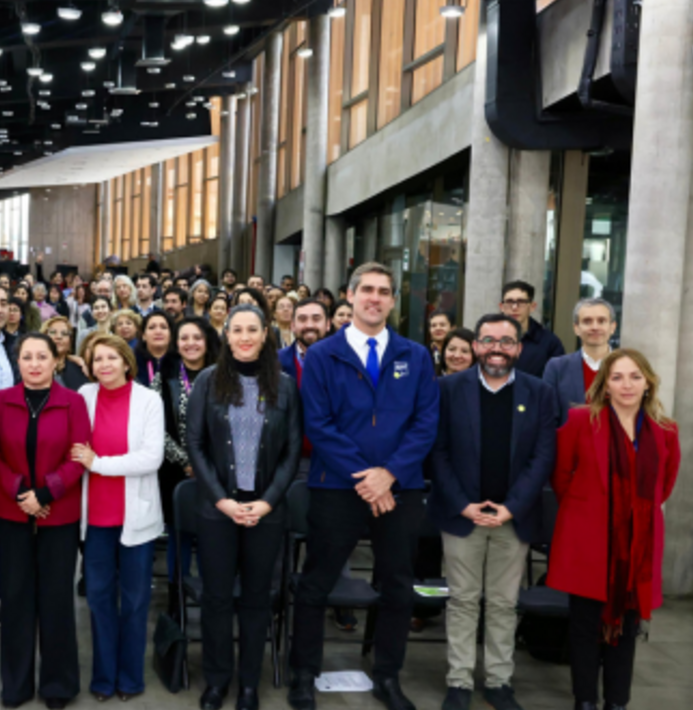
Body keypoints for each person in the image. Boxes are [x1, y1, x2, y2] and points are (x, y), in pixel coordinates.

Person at [288, 263, 439, 710]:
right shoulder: (323, 355)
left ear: (392, 300)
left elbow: (425, 423)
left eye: (383, 291)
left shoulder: (415, 356)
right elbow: (318, 424)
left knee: (397, 586)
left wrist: (388, 474)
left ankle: (387, 677)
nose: (375, 298)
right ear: (350, 296)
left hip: (400, 488)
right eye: (367, 289)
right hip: (336, 487)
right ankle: (303, 674)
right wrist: (367, 476)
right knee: (316, 584)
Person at [428, 314, 558, 710]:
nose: (496, 348)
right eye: (488, 340)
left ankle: (499, 681)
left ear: (518, 348)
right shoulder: (447, 389)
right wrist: (462, 505)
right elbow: (437, 452)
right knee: (462, 600)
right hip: (462, 515)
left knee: (503, 603)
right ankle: (459, 681)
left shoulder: (540, 392)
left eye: (506, 341)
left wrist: (511, 508)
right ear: (476, 346)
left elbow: (543, 457)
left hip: (512, 518)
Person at [548, 349, 680, 710]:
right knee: (585, 627)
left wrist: (633, 515)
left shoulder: (666, 431)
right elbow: (560, 475)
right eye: (617, 377)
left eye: (635, 377)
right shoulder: (580, 420)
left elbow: (664, 485)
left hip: (638, 546)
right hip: (587, 540)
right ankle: (585, 700)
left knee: (628, 626)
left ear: (648, 383)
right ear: (604, 385)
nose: (627, 385)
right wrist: (589, 509)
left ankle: (617, 702)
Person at [186, 305, 300, 710]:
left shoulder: (284, 386)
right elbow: (195, 443)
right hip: (218, 510)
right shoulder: (207, 381)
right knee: (217, 598)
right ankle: (217, 681)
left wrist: (266, 502)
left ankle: (249, 684)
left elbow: (291, 452)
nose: (245, 337)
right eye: (237, 330)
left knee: (256, 599)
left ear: (266, 333)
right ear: (227, 335)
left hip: (266, 513)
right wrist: (222, 500)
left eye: (253, 329)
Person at [0, 333, 90, 709]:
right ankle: (16, 684)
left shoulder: (73, 402)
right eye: (26, 357)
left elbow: (79, 456)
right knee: (15, 598)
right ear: (17, 362)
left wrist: (45, 493)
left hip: (57, 513)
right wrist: (19, 491)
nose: (34, 364)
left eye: (41, 357)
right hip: (12, 510)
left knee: (56, 599)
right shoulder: (1, 400)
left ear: (56, 360)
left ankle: (58, 685)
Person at [73, 334, 164, 702]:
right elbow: (73, 448)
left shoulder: (148, 400)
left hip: (136, 518)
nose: (104, 365)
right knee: (98, 599)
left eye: (112, 358)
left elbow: (151, 458)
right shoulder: (84, 396)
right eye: (97, 359)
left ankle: (130, 678)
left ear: (127, 362)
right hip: (95, 517)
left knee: (136, 601)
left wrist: (98, 463)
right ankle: (103, 677)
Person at [158, 317, 219, 608]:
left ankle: (212, 598)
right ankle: (177, 598)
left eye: (197, 337)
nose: (190, 343)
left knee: (212, 537)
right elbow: (156, 428)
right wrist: (185, 461)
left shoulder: (223, 374)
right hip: (175, 472)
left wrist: (206, 464)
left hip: (216, 472)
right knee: (178, 536)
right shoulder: (164, 375)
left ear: (207, 341)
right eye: (184, 338)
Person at [543, 297, 618, 422]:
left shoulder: (630, 367)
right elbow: (547, 418)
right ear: (576, 328)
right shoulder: (557, 367)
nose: (595, 327)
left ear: (612, 327)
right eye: (587, 321)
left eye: (601, 321)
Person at [499, 280, 565, 376]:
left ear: (532, 307)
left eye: (521, 302)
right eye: (509, 302)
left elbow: (558, 378)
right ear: (501, 307)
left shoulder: (549, 343)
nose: (514, 307)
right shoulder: (488, 337)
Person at [42, 316, 89, 391]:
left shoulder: (80, 368)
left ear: (70, 341)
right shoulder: (32, 366)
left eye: (64, 333)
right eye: (53, 332)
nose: (59, 337)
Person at [134, 311, 174, 390]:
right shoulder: (133, 363)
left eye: (163, 327)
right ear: (143, 335)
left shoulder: (180, 362)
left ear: (171, 334)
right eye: (152, 327)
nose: (158, 332)